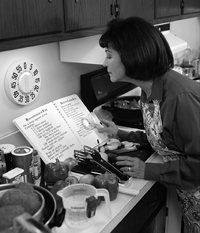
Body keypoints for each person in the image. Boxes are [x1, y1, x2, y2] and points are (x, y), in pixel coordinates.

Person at [97, 16, 200, 233]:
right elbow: (164, 136)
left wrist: (149, 170)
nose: (104, 63)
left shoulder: (179, 98)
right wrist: (121, 133)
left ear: (131, 56)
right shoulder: (148, 89)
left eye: (109, 55)